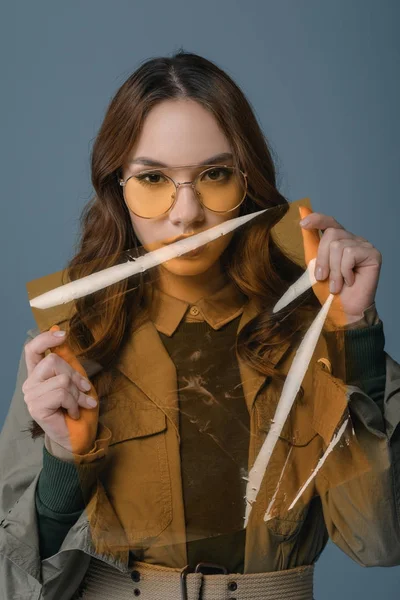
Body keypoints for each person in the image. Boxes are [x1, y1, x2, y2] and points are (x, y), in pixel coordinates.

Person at [1, 51, 399, 600]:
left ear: (248, 179)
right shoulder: (71, 341)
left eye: (214, 175)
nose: (185, 213)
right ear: (116, 186)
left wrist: (353, 332)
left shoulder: (315, 326)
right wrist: (63, 463)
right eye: (152, 178)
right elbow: (11, 576)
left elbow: (379, 544)